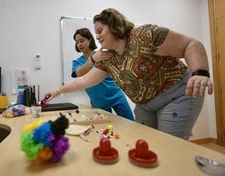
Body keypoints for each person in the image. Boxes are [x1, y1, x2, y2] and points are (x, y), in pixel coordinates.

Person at [45, 8, 213, 139]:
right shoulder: (108, 57)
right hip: (145, 106)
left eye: (100, 31)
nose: (98, 37)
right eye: (96, 33)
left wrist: (200, 72)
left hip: (176, 97)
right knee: (148, 146)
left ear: (114, 26)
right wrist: (58, 91)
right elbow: (83, 80)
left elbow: (191, 45)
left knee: (171, 150)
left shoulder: (146, 35)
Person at [71, 28, 134, 121]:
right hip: (99, 102)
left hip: (117, 96)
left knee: (131, 123)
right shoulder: (77, 62)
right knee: (105, 130)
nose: (79, 44)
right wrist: (92, 59)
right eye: (77, 42)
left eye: (81, 41)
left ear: (90, 39)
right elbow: (80, 73)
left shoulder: (102, 54)